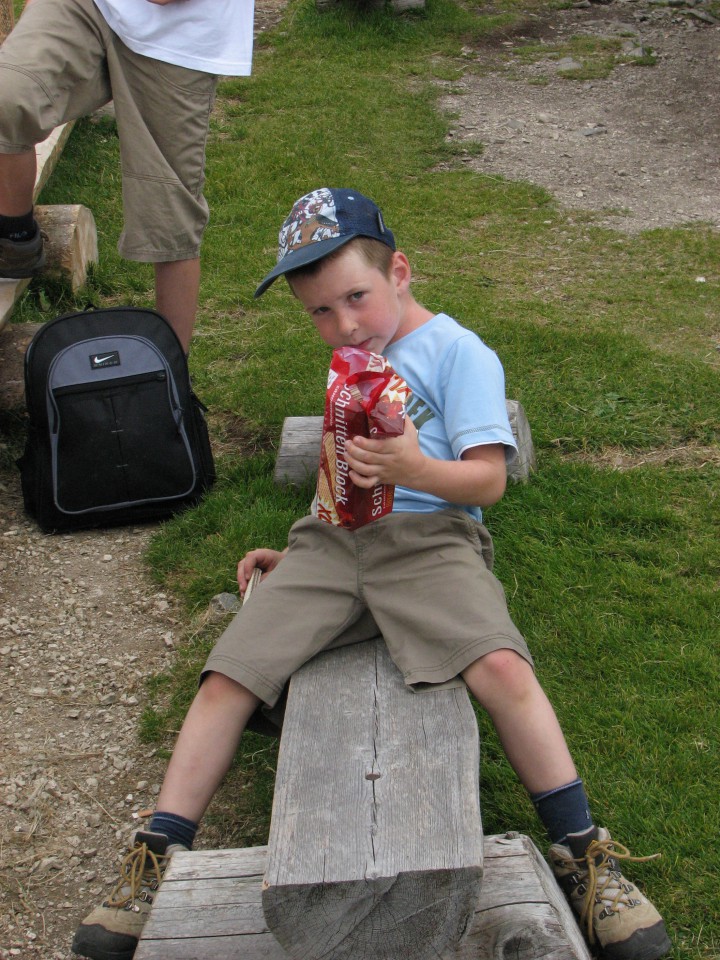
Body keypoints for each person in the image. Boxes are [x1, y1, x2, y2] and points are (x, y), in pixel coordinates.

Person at [71, 187, 671, 960]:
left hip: (432, 541)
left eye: (356, 297)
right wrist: (304, 554)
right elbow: (341, 470)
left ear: (401, 273)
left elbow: (487, 481)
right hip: (333, 542)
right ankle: (154, 856)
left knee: (499, 664)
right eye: (320, 311)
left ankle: (585, 851)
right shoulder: (354, 358)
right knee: (229, 675)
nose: (343, 323)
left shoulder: (459, 353)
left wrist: (418, 464)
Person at [0, 0, 255, 353]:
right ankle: (16, 239)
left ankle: (170, 383)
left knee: (168, 216)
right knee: (8, 95)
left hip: (180, 32)